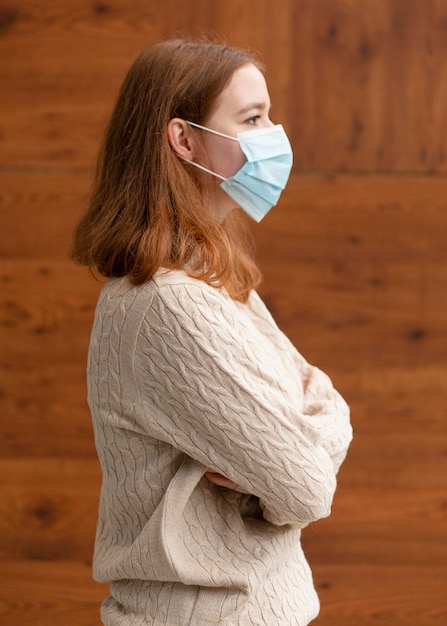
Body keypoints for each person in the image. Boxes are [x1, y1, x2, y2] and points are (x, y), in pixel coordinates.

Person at [72, 37, 352, 626]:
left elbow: (327, 405)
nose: (275, 134)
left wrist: (286, 449)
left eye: (270, 115)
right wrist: (287, 451)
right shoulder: (170, 306)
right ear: (183, 139)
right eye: (252, 119)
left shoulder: (216, 280)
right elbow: (306, 488)